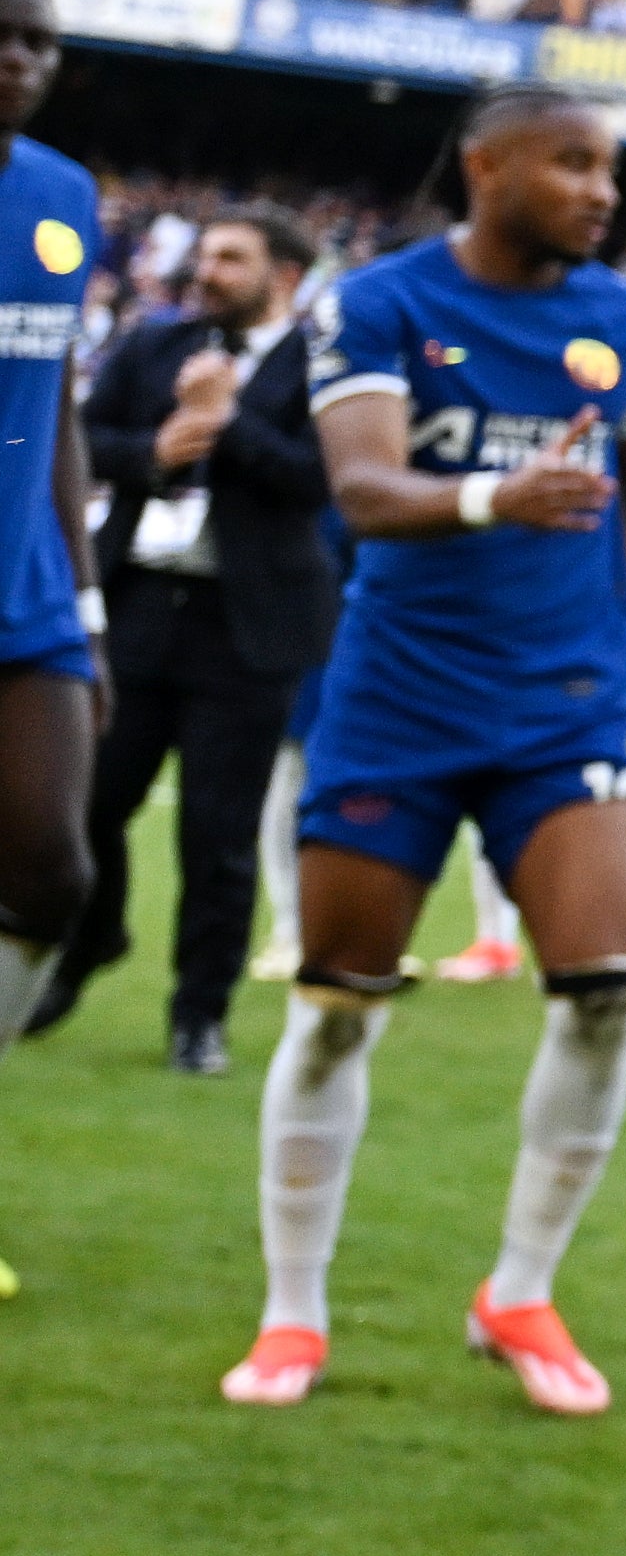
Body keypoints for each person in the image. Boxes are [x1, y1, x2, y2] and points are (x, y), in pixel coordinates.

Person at [221, 85, 626, 1413]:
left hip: (563, 707)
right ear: (485, 164)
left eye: (611, 167)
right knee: (337, 1006)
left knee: (608, 988)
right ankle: (293, 1311)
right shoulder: (379, 303)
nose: (602, 189)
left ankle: (520, 1286)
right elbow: (364, 491)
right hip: (397, 697)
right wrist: (493, 494)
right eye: (572, 162)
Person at [77, 206, 327, 1079]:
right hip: (139, 604)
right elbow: (79, 440)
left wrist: (229, 423)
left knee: (218, 836)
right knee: (91, 801)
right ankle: (89, 939)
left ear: (284, 275)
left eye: (230, 258)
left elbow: (318, 483)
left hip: (245, 628)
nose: (205, 270)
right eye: (206, 253)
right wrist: (153, 448)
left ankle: (199, 1015)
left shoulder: (322, 364)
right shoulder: (154, 345)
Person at [0, 0, 104, 1303]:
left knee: (54, 868)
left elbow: (59, 397)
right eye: (0, 34)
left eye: (39, 40)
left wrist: (84, 593)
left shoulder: (65, 195)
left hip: (28, 597)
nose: (19, 56)